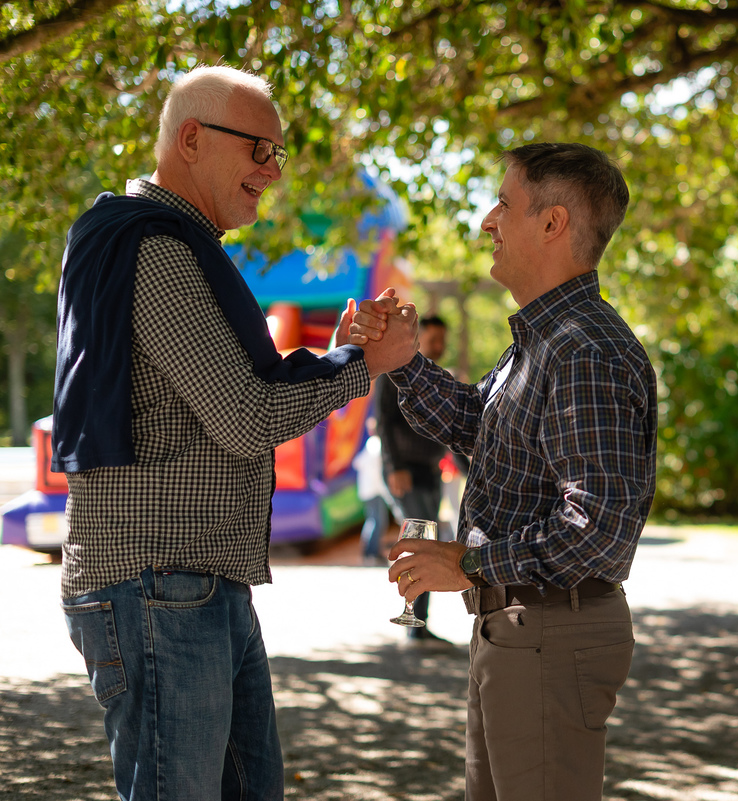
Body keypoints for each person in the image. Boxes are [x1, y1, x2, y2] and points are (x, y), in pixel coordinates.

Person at [51, 65, 414, 801]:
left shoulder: (164, 240)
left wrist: (339, 353)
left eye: (277, 153)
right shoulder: (156, 248)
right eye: (259, 149)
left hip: (192, 582)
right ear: (191, 139)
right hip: (160, 584)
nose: (273, 172)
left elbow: (222, 397)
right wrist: (362, 365)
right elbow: (248, 419)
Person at [350, 142, 658, 800]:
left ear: (552, 223)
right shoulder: (548, 338)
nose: (487, 220)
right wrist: (403, 360)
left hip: (547, 629)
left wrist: (468, 562)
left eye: (503, 204)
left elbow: (597, 529)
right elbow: (476, 425)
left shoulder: (581, 348)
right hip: (522, 628)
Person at [375, 314, 463, 639]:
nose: (439, 345)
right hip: (405, 471)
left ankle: (420, 621)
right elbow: (383, 421)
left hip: (430, 471)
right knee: (420, 544)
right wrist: (393, 467)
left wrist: (470, 470)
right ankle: (413, 620)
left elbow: (452, 431)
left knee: (430, 544)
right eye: (434, 339)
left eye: (443, 340)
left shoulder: (440, 377)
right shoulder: (395, 370)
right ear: (419, 337)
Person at [354, 417, 390, 566]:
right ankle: (371, 552)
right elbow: (378, 472)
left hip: (368, 490)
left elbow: (357, 462)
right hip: (375, 491)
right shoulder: (377, 445)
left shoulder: (370, 444)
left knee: (374, 521)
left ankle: (371, 552)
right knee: (377, 521)